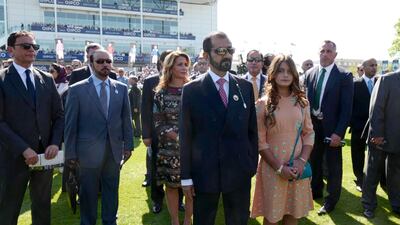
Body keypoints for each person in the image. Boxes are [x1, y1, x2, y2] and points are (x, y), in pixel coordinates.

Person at [180, 31, 258, 225]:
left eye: (230, 50)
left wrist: (250, 164)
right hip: (205, 171)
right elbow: (186, 136)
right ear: (206, 55)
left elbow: (252, 131)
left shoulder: (245, 87)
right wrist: (186, 177)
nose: (227, 55)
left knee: (239, 220)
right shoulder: (191, 90)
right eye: (220, 50)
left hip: (239, 170)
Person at [0, 31, 64, 225]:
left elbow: (59, 116)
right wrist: (23, 149)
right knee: (8, 208)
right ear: (11, 50)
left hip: (45, 156)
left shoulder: (46, 78)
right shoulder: (2, 79)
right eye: (26, 46)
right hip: (12, 157)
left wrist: (54, 143)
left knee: (43, 206)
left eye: (34, 47)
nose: (32, 50)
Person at [64, 49, 134, 225]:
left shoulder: (121, 88)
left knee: (112, 189)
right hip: (87, 153)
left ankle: (110, 221)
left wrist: (129, 145)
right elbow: (70, 125)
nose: (105, 65)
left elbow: (126, 119)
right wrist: (70, 153)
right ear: (91, 62)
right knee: (88, 192)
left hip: (113, 150)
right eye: (100, 61)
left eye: (108, 61)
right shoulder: (76, 90)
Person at [251, 54, 314, 225]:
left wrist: (301, 161)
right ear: (273, 74)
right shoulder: (263, 104)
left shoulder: (302, 103)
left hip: (297, 167)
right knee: (272, 216)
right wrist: (279, 168)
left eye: (289, 71)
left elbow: (309, 134)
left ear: (294, 74)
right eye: (280, 71)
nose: (285, 75)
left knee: (292, 214)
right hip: (272, 167)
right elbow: (260, 141)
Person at [304, 40, 353, 215]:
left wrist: (339, 133)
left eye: (329, 51)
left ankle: (331, 201)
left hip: (332, 129)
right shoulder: (310, 73)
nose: (325, 54)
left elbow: (347, 108)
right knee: (314, 162)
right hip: (313, 127)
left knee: (333, 167)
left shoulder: (344, 75)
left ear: (335, 55)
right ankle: (315, 191)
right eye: (322, 51)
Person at [142, 50, 185, 212]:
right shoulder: (150, 82)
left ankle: (179, 201)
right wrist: (146, 134)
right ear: (162, 63)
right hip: (157, 135)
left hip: (181, 139)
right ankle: (157, 200)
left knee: (180, 170)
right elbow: (146, 110)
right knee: (156, 169)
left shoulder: (187, 84)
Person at [153, 51, 193, 225]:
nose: (184, 68)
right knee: (171, 186)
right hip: (169, 150)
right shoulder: (160, 94)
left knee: (191, 187)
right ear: (170, 67)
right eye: (180, 64)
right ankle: (175, 220)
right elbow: (158, 122)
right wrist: (176, 137)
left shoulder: (194, 90)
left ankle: (188, 220)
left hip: (193, 149)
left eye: (186, 64)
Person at [361, 69, 400, 219]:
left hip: (397, 138)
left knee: (395, 173)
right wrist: (376, 134)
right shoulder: (387, 79)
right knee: (372, 172)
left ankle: (396, 204)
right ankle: (368, 205)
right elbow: (376, 107)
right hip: (380, 137)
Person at [349, 58, 378, 192]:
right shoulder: (355, 84)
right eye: (371, 65)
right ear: (364, 68)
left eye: (375, 65)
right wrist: (353, 123)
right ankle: (359, 179)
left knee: (377, 155)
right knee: (358, 154)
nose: (374, 67)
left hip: (378, 127)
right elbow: (349, 106)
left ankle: (378, 180)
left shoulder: (381, 83)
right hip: (359, 127)